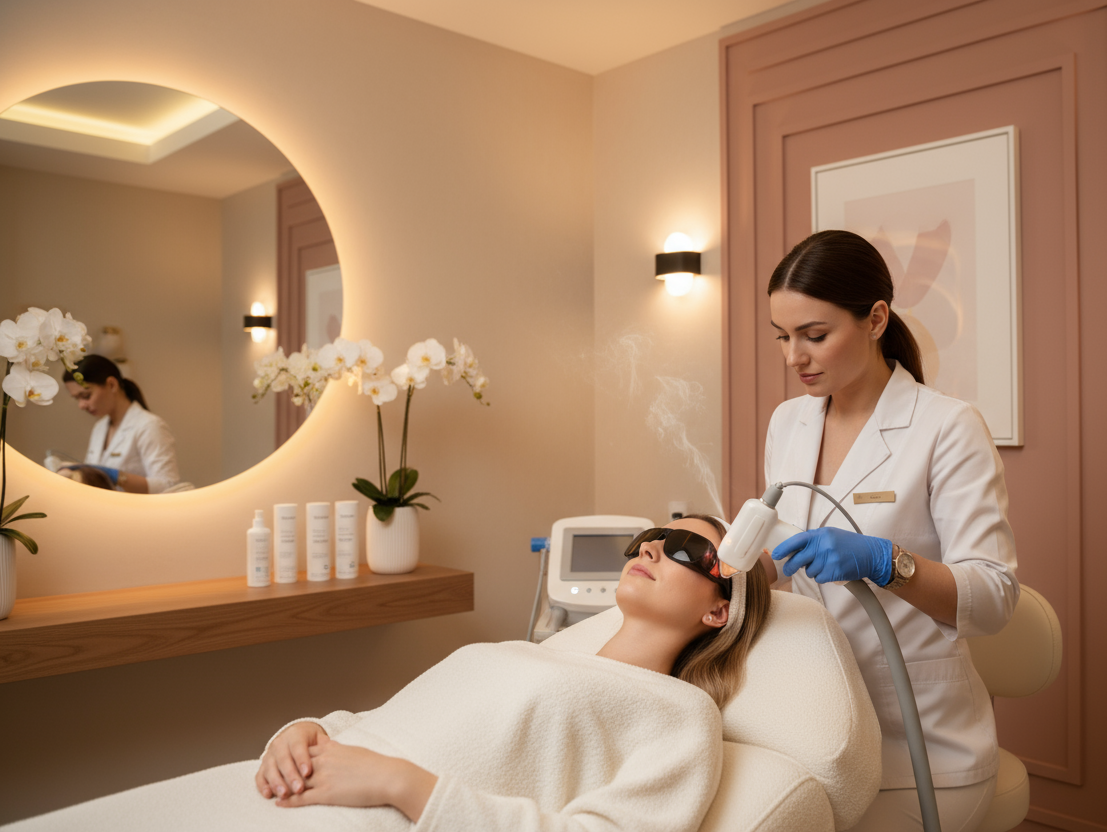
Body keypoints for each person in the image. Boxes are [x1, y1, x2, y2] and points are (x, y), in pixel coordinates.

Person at [8, 516, 772, 832]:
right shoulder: (534, 654)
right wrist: (301, 731)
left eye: (683, 549)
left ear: (719, 611)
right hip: (287, 783)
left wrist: (400, 787)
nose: (650, 547)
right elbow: (377, 723)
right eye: (649, 536)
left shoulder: (680, 717)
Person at [761, 230, 1018, 831]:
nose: (794, 357)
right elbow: (780, 551)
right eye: (783, 337)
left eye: (814, 336)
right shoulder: (789, 422)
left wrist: (887, 562)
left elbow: (995, 597)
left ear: (876, 319)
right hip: (818, 730)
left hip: (923, 744)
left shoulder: (947, 427)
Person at [60, 355, 181, 494]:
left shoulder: (149, 425)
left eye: (86, 396)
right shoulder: (100, 428)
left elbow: (168, 486)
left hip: (139, 513)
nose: (81, 405)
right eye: (77, 399)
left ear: (112, 384)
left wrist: (118, 477)